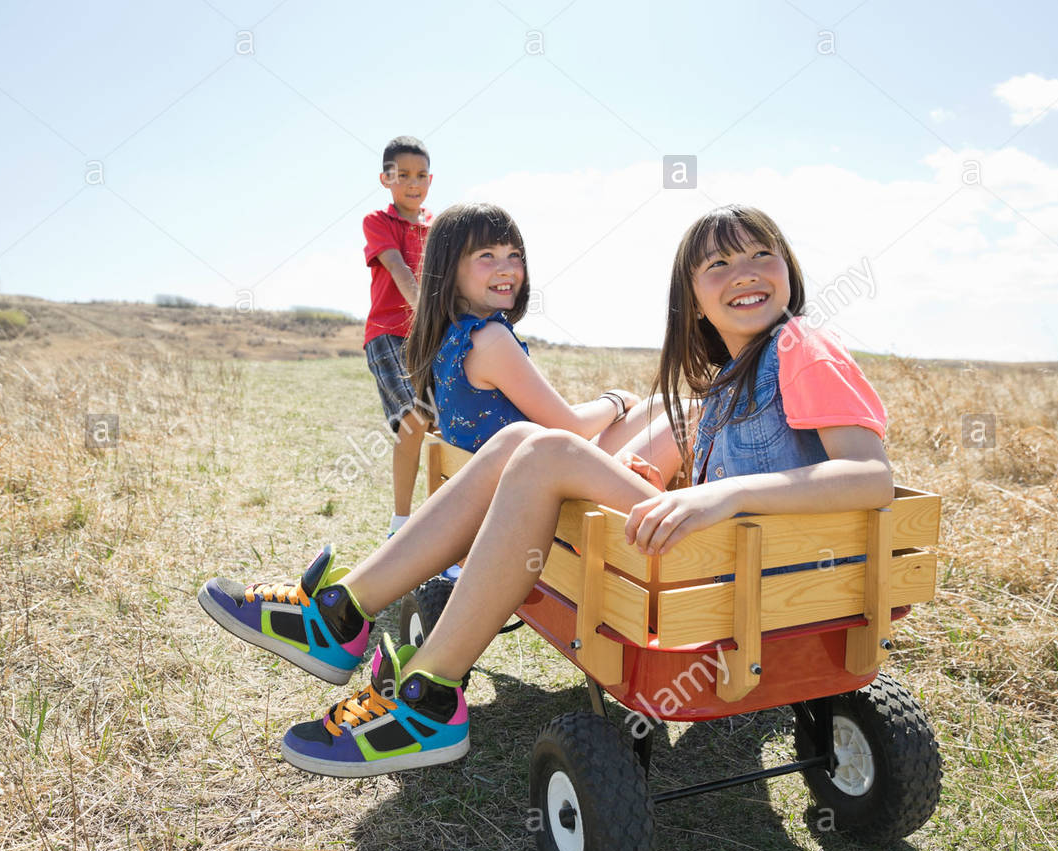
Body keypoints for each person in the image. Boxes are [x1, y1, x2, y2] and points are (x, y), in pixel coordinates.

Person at [198, 204, 894, 778]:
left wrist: (721, 498)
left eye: (760, 256)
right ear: (692, 295)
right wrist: (663, 468)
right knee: (514, 444)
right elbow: (666, 452)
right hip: (707, 562)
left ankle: (423, 693)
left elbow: (872, 477)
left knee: (545, 448)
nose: (744, 274)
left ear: (789, 271)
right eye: (719, 263)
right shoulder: (731, 375)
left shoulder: (802, 345)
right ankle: (339, 614)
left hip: (736, 565)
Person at [404, 201, 655, 457]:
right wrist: (617, 400)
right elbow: (573, 428)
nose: (507, 269)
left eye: (514, 255)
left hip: (502, 480)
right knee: (665, 410)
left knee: (650, 414)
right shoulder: (488, 339)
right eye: (486, 256)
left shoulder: (450, 337)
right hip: (531, 487)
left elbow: (554, 418)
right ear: (449, 269)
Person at [361, 135, 434, 538]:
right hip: (390, 334)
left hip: (430, 337)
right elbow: (398, 269)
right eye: (403, 174)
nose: (413, 182)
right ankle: (400, 524)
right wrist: (425, 313)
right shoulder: (378, 222)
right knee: (413, 418)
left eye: (421, 175)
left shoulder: (438, 227)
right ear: (385, 179)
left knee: (444, 424)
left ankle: (445, 525)